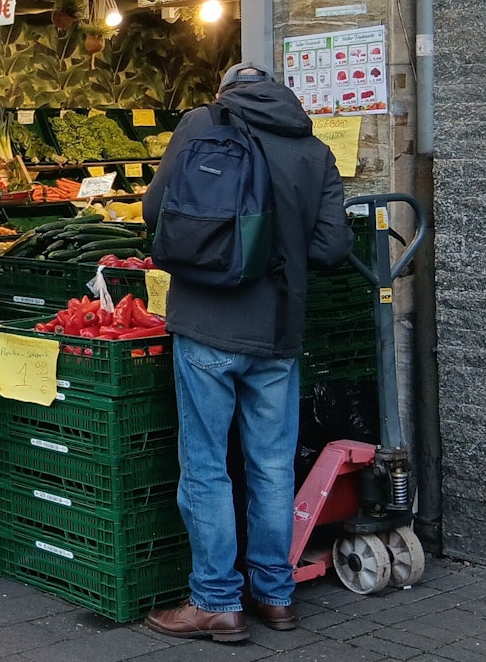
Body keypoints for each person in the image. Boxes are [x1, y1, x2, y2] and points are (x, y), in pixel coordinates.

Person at [141, 62, 353, 643]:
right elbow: (334, 245)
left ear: (226, 93)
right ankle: (274, 594)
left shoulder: (201, 125)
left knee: (206, 466)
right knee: (271, 465)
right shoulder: (313, 149)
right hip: (278, 332)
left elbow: (154, 213)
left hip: (207, 325)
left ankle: (215, 601)